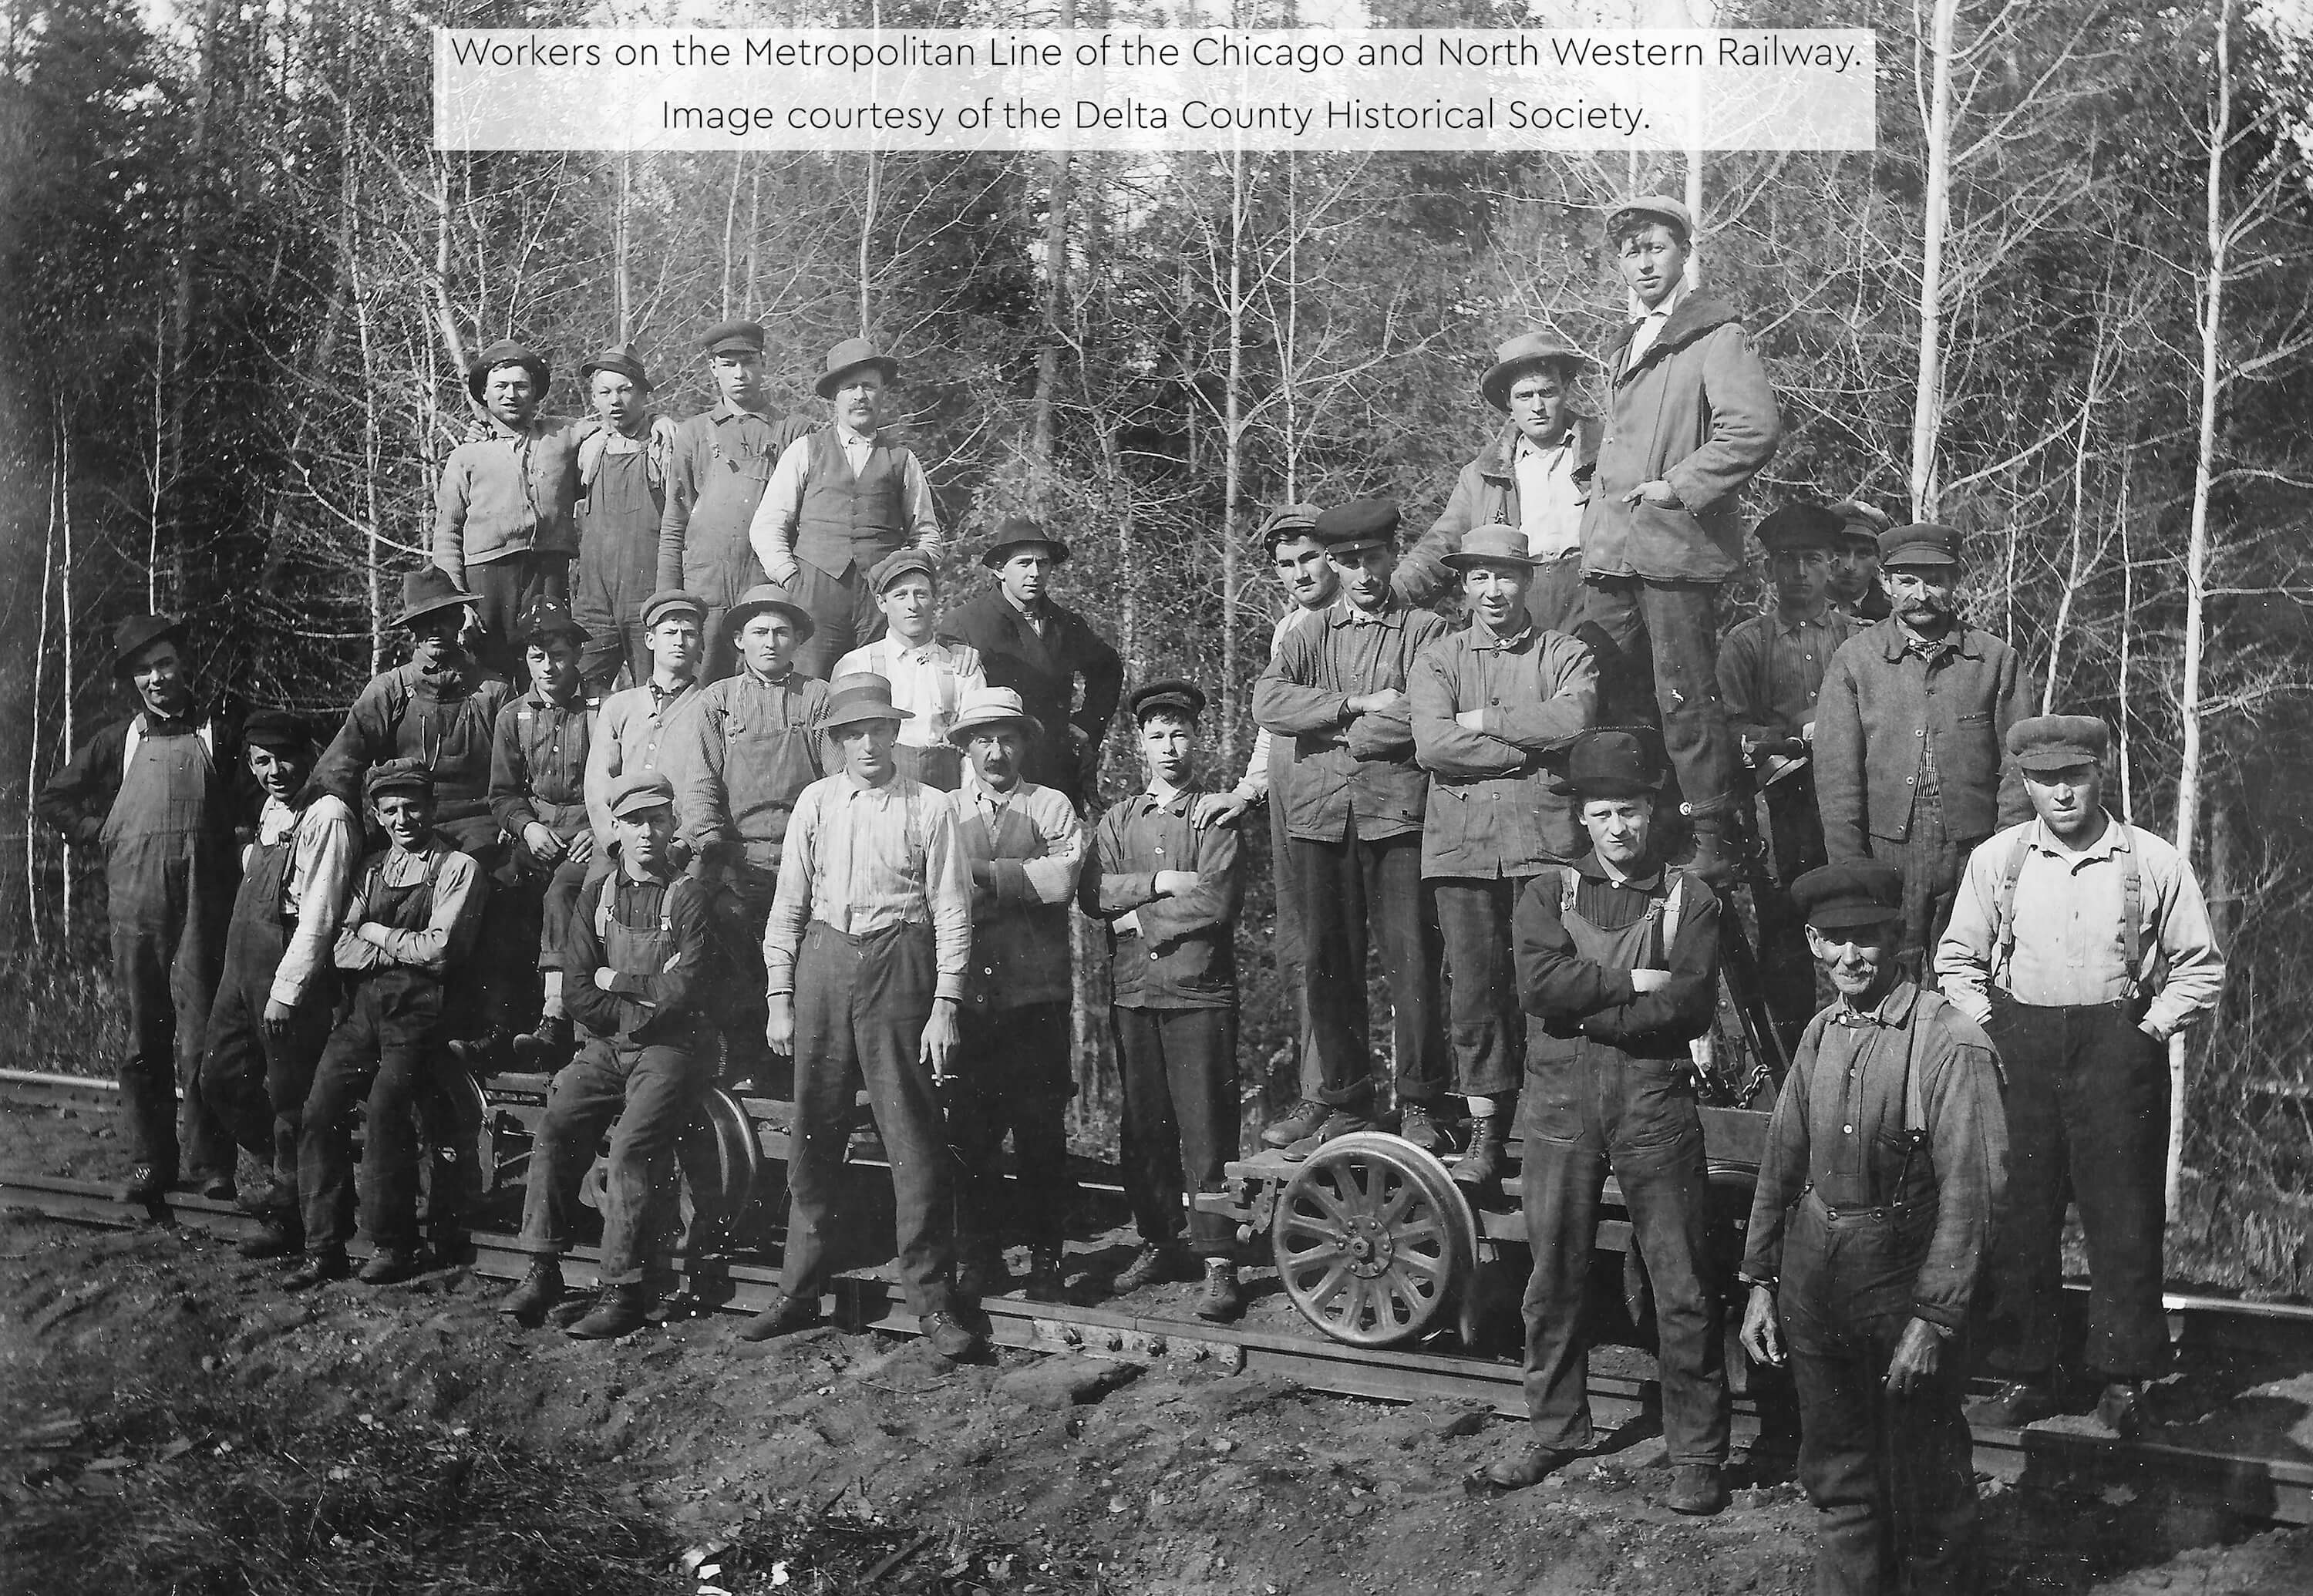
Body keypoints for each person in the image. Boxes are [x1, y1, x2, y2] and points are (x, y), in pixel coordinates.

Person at [1937, 716, 2227, 1436]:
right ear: (2025, 781)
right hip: (2021, 1046)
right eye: (2044, 779)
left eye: (2075, 776)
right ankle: (2032, 1372)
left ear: (2102, 773)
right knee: (2020, 1215)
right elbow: (1956, 960)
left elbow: (2201, 965)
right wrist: (1994, 1027)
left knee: (2123, 1217)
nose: (2061, 793)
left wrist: (2151, 1028)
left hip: (2118, 1050)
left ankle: (2124, 1377)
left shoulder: (2152, 860)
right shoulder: (1998, 861)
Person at [1739, 861, 2008, 1596]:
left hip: (1901, 1296)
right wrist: (1760, 1280)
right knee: (1839, 1480)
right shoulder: (1821, 1033)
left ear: (1895, 940)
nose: (1851, 957)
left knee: (1927, 1487)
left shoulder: (1949, 1042)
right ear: (1812, 943)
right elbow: (1781, 1162)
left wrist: (1935, 1319)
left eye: (1866, 938)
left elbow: (1973, 1194)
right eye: (1834, 940)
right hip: (1815, 1289)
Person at [1483, 727, 1730, 1514]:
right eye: (1604, 813)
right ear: (1583, 820)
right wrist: (1631, 983)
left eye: (1631, 810)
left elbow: (1687, 999)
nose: (1620, 827)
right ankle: (1556, 1430)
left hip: (1655, 1102)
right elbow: (1537, 986)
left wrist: (1593, 1014)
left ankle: (1697, 1454)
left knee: (1682, 1283)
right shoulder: (1545, 893)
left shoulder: (1692, 897)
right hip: (1559, 1107)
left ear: (1653, 812)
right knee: (1553, 1277)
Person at [738, 674, 983, 1361]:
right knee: (816, 1129)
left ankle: (933, 1303)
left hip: (899, 961)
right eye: (854, 732)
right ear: (838, 742)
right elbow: (787, 905)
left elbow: (952, 912)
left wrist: (945, 1004)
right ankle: (797, 1288)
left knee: (913, 1135)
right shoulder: (816, 804)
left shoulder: (929, 808)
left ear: (895, 734)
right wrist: (780, 995)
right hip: (824, 960)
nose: (868, 743)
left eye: (879, 729)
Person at [1581, 195, 1782, 884]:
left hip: (1673, 548)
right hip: (1612, 553)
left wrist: (1678, 484)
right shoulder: (1627, 341)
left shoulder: (1713, 335)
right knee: (1608, 686)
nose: (1643, 262)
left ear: (1683, 253)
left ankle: (1713, 837)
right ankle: (1647, 822)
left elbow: (1752, 430)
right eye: (1630, 251)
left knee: (1685, 696)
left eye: (1656, 248)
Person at [1251, 499, 1452, 1157]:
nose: (1364, 574)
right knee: (1328, 963)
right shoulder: (1308, 632)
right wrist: (1355, 706)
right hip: (1319, 819)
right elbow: (1269, 703)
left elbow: (1424, 714)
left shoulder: (1424, 630)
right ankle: (1343, 1100)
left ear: (1393, 558)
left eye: (1374, 559)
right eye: (1351, 562)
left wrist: (1337, 733)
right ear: (1335, 565)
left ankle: (1421, 1101)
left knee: (1412, 961)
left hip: (1395, 816)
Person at [1409, 524, 1598, 1187]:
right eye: (1479, 577)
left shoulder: (1565, 652)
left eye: (1506, 575)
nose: (1494, 590)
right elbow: (1432, 744)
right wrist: (1528, 740)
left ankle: (1552, 1126)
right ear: (1463, 585)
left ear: (1530, 580)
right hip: (1461, 850)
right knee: (1474, 991)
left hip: (1545, 846)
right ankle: (1487, 1131)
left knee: (1549, 987)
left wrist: (1484, 722)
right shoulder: (1438, 657)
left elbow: (1573, 723)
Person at [497, 772, 717, 1339]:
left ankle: (622, 1291)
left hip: (669, 1052)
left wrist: (614, 978)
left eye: (658, 821)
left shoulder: (687, 896)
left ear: (673, 827)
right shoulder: (597, 894)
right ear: (616, 828)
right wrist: (637, 997)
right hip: (605, 1048)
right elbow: (575, 990)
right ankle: (542, 1269)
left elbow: (688, 988)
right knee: (555, 1127)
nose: (647, 833)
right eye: (635, 822)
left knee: (631, 1149)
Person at [37, 614, 245, 1198]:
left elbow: (260, 796)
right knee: (142, 1037)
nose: (157, 679)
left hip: (205, 903)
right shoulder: (117, 741)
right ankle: (150, 1162)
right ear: (134, 679)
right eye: (144, 671)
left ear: (184, 666)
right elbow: (54, 797)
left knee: (203, 1033)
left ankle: (213, 1165)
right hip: (136, 906)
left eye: (165, 665)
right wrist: (97, 830)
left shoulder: (220, 732)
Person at [286, 758, 487, 1288]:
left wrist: (372, 931)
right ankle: (323, 1246)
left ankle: (394, 1243)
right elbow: (340, 948)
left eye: (413, 807)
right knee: (318, 1110)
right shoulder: (369, 867)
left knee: (385, 1111)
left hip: (421, 1016)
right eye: (391, 810)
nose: (403, 820)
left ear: (432, 808)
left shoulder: (458, 869)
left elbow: (441, 953)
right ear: (376, 814)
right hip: (360, 1013)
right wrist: (400, 947)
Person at [1082, 681, 1248, 1320]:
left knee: (1205, 1128)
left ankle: (1218, 1260)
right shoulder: (1119, 819)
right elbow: (1093, 893)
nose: (1169, 746)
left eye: (1180, 733)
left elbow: (1214, 899)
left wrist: (1142, 920)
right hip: (1134, 994)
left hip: (1198, 993)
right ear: (1140, 744)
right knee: (1142, 1129)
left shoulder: (1215, 816)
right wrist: (1156, 882)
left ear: (1197, 739)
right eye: (1157, 735)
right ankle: (1159, 1242)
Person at [1816, 523, 2036, 971]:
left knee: (1971, 966)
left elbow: (2019, 765)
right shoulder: (1856, 660)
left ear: (1955, 581)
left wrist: (2005, 854)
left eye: (1935, 580)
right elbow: (1837, 775)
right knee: (1893, 967)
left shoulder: (1995, 659)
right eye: (1907, 581)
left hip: (1973, 847)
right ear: (1886, 583)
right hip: (1888, 848)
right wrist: (1851, 868)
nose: (1922, 593)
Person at [314, 566, 517, 1050]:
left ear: (459, 621)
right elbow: (340, 763)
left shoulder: (492, 692)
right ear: (412, 633)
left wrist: (516, 822)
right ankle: (363, 1016)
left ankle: (491, 1025)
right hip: (406, 827)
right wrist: (340, 821)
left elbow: (516, 771)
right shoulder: (390, 691)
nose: (437, 634)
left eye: (445, 620)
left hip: (479, 826)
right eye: (425, 625)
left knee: (505, 885)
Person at [1198, 505, 1349, 1151]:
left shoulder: (1368, 614)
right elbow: (1273, 724)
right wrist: (1249, 788)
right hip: (1293, 791)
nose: (1297, 574)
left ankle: (1393, 1097)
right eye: (1285, 566)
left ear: (1334, 556)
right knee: (1304, 950)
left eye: (1308, 558)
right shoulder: (1288, 629)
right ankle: (1323, 1092)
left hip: (1359, 789)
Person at [197, 710, 362, 1259]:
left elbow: (320, 912)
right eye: (262, 761)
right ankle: (285, 1176)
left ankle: (293, 1212)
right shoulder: (272, 809)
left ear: (310, 753)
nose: (275, 771)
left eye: (285, 758)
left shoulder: (328, 815)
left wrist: (286, 991)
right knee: (218, 1075)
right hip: (241, 964)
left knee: (290, 1096)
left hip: (289, 966)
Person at [943, 686, 1086, 1304]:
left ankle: (1047, 1260)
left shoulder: (1050, 805)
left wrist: (973, 875)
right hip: (969, 996)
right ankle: (980, 1258)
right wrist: (1019, 879)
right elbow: (930, 887)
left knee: (1040, 1133)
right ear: (965, 749)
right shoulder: (944, 809)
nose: (996, 751)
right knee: (970, 1133)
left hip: (1038, 996)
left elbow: (1059, 884)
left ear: (1025, 743)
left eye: (1006, 738)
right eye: (983, 740)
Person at [677, 584, 830, 1094]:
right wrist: (714, 845)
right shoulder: (717, 701)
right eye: (760, 632)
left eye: (782, 632)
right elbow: (699, 784)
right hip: (737, 857)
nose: (771, 642)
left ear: (797, 640)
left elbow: (837, 782)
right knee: (728, 927)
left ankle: (799, 1066)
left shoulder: (819, 697)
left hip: (804, 857)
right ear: (739, 640)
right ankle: (742, 1055)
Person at [1718, 502, 1856, 1048]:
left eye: (1812, 560)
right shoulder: (1747, 643)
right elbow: (1727, 730)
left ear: (1831, 565)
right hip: (1779, 806)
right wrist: (1791, 735)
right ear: (1770, 569)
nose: (1799, 573)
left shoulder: (1857, 638)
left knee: (1854, 922)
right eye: (1787, 561)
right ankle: (1797, 1054)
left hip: (1848, 802)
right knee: (1783, 931)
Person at [750, 338, 945, 679]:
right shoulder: (805, 450)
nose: (860, 396)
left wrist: (914, 577)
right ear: (835, 398)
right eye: (850, 388)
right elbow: (768, 525)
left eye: (869, 387)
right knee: (811, 684)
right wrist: (791, 578)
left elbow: (926, 531)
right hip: (815, 592)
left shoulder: (901, 458)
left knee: (880, 684)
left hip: (880, 598)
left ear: (882, 393)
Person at [1401, 332, 1601, 635]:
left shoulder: (1607, 450)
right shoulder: (1482, 476)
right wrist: (1392, 591)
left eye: (1547, 392)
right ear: (1508, 402)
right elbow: (1441, 544)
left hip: (1594, 599)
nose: (1538, 406)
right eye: (1524, 396)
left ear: (1565, 390)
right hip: (1518, 603)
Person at [657, 320, 814, 681]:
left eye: (748, 362)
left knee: (771, 685)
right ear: (713, 368)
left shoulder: (795, 431)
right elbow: (674, 521)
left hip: (766, 584)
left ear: (764, 363)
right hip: (705, 588)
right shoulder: (693, 433)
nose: (740, 373)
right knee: (703, 687)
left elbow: (807, 522)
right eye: (728, 364)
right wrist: (669, 600)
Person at [948, 518, 1124, 812]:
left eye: (1042, 564)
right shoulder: (965, 624)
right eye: (1024, 563)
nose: (1035, 573)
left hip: (1056, 766)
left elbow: (1108, 669)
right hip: (995, 765)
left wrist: (1087, 725)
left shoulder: (1067, 624)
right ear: (999, 569)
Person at [490, 598, 598, 1065]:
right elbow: (502, 794)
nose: (549, 667)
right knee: (496, 896)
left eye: (557, 654)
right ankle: (498, 1027)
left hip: (588, 836)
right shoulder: (513, 716)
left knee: (561, 893)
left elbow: (622, 780)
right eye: (537, 657)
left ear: (575, 653)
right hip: (537, 836)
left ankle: (556, 1017)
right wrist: (526, 827)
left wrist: (602, 828)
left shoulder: (602, 709)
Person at [433, 340, 582, 678]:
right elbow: (447, 534)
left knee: (547, 666)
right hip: (487, 581)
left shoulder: (561, 435)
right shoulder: (467, 455)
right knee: (488, 673)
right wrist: (458, 602)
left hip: (548, 575)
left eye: (520, 386)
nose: (511, 394)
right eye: (500, 386)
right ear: (485, 394)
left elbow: (614, 425)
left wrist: (658, 419)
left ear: (534, 393)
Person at [830, 548, 987, 790]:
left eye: (921, 594)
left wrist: (964, 806)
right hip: (876, 797)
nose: (913, 605)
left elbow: (975, 747)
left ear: (935, 599)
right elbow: (842, 747)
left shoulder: (960, 667)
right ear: (882, 603)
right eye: (901, 595)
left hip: (946, 797)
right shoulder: (858, 665)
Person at [571, 342, 671, 695]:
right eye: (605, 392)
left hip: (647, 594)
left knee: (655, 693)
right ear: (595, 399)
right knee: (579, 691)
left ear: (644, 395)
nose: (615, 401)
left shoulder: (664, 444)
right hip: (594, 601)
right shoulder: (589, 449)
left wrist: (662, 422)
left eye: (625, 390)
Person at [585, 589, 707, 860]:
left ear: (700, 644)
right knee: (569, 893)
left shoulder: (711, 705)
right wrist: (615, 841)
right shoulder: (619, 706)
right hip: (622, 841)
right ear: (650, 640)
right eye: (670, 632)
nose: (679, 641)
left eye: (689, 634)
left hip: (680, 846)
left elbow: (711, 791)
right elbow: (597, 786)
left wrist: (684, 843)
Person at [1826, 499, 1893, 625]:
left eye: (1863, 554)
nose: (1849, 566)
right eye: (1840, 551)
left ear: (1878, 560)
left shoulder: (1891, 618)